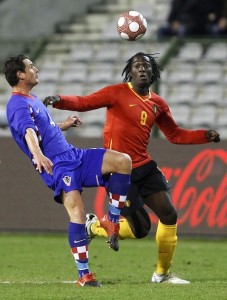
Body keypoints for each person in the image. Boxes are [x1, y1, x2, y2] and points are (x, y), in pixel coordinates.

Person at [44, 52, 220, 284]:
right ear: (130, 71)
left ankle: (162, 274)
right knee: (140, 229)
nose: (142, 69)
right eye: (137, 66)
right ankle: (93, 226)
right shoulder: (116, 92)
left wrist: (204, 135)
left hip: (145, 167)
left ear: (153, 71)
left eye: (146, 66)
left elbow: (175, 135)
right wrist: (60, 100)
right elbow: (85, 102)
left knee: (170, 214)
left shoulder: (158, 103)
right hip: (120, 172)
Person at [4, 54, 132, 287]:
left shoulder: (32, 99)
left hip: (73, 155)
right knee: (77, 212)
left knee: (123, 161)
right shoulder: (17, 104)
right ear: (20, 75)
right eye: (31, 66)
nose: (36, 69)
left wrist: (65, 124)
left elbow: (44, 129)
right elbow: (28, 133)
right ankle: (84, 274)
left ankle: (112, 220)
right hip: (58, 165)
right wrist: (38, 155)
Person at [157, 0, 227, 38]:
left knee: (216, 30)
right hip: (184, 23)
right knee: (161, 31)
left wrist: (223, 18)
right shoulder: (178, 1)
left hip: (205, 24)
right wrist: (174, 23)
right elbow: (172, 17)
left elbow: (219, 12)